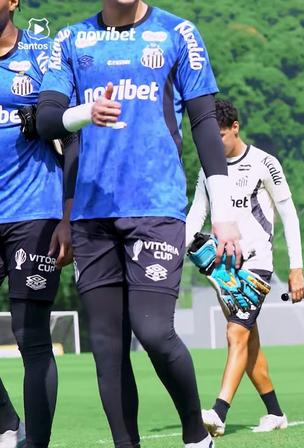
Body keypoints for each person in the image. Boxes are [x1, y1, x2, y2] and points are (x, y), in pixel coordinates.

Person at [35, 1, 242, 447]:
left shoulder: (178, 33)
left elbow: (205, 121)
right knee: (108, 350)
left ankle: (195, 434)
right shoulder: (70, 40)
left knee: (152, 330)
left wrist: (223, 213)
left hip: (156, 207)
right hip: (91, 218)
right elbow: (47, 117)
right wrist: (85, 113)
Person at [185, 99, 304, 436]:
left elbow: (289, 215)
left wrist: (296, 268)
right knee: (248, 341)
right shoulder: (208, 168)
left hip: (257, 264)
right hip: (222, 270)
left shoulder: (264, 163)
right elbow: (196, 214)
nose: (216, 142)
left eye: (221, 135)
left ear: (235, 127)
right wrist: (181, 247)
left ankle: (219, 412)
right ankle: (275, 413)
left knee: (235, 333)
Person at [0, 1, 76, 446]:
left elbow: (70, 135)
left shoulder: (43, 54)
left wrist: (68, 218)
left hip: (34, 213)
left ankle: (36, 444)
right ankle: (8, 422)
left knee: (31, 339)